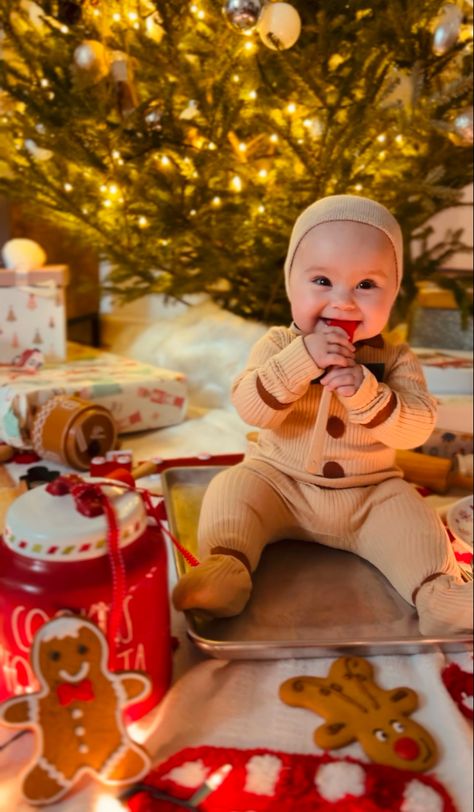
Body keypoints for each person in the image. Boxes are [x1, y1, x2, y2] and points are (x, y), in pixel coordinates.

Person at [172, 194, 472, 636]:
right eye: (322, 281)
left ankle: (438, 595)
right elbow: (250, 408)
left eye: (366, 286)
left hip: (369, 495)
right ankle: (227, 567)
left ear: (394, 293)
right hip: (280, 482)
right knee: (232, 488)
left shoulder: (394, 357)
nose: (344, 303)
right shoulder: (277, 345)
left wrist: (368, 394)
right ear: (292, 283)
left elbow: (416, 427)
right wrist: (300, 362)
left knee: (417, 522)